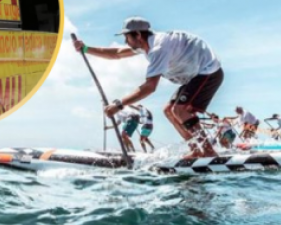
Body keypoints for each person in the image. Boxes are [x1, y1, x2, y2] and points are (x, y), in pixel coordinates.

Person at [73, 17, 224, 158]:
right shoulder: (146, 44)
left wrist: (119, 104)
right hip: (193, 75)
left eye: (127, 37)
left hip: (209, 71)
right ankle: (197, 150)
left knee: (180, 110)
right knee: (169, 111)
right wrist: (86, 49)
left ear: (138, 35)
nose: (126, 41)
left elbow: (149, 87)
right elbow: (117, 54)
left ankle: (209, 154)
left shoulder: (158, 48)